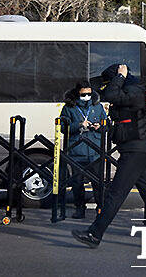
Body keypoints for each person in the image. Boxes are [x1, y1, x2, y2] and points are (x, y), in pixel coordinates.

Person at [72, 64, 146, 249]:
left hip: (136, 151)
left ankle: (95, 234)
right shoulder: (131, 91)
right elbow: (127, 121)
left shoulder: (133, 90)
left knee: (115, 194)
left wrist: (119, 76)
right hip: (139, 149)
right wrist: (103, 128)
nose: (107, 86)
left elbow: (109, 95)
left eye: (110, 82)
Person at [60, 81, 107, 219]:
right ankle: (80, 208)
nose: (87, 96)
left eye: (89, 93)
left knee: (98, 182)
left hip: (95, 149)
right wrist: (79, 124)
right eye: (84, 94)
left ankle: (100, 207)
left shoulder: (97, 106)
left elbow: (106, 124)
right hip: (77, 149)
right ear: (78, 93)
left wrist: (101, 126)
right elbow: (62, 127)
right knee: (77, 182)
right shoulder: (69, 107)